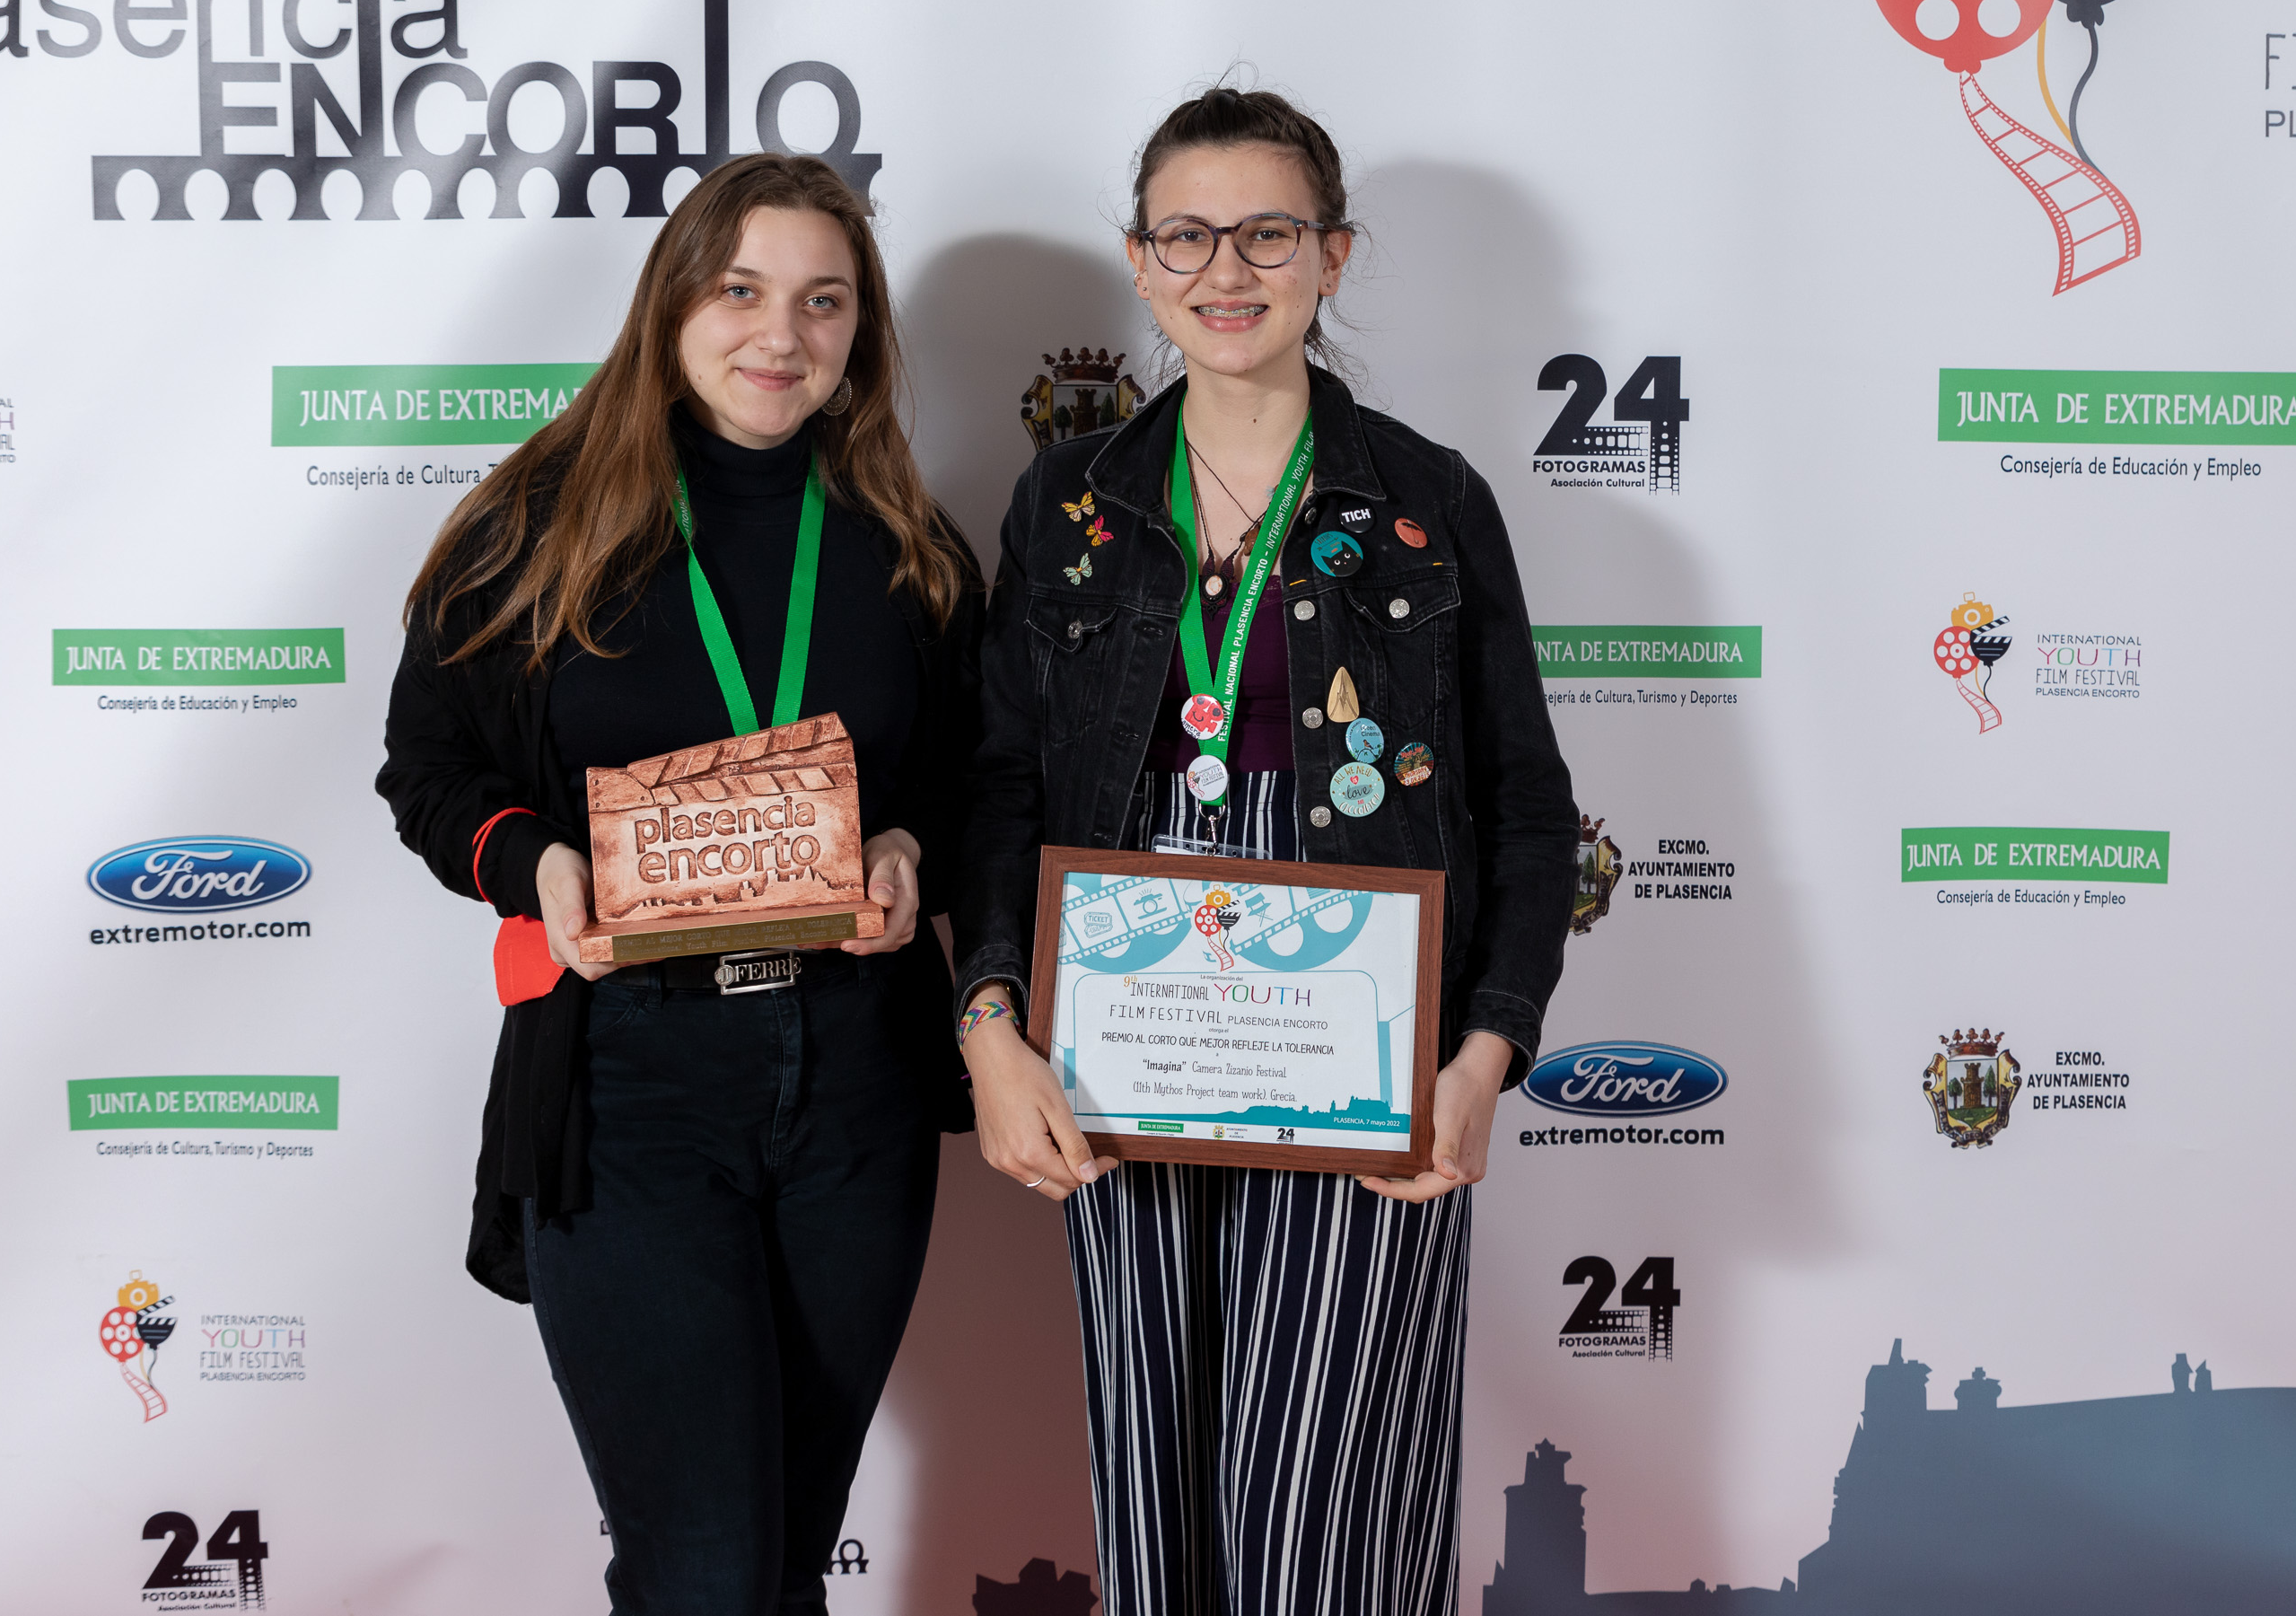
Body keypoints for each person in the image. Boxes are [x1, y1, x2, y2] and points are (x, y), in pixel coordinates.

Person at [952, 87, 1576, 1613]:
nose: (1224, 269)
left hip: (1364, 1038)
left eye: (1268, 233)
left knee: (1321, 1520)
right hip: (1121, 1024)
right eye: (1186, 234)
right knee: (1156, 1501)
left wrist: (1480, 1056)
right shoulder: (1067, 501)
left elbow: (1524, 800)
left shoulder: (1429, 499)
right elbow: (1002, 782)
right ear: (1139, 260)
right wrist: (988, 1023)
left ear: (1332, 255)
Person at [375, 152, 979, 1616]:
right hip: (631, 1078)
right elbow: (428, 769)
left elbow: (977, 780)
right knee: (702, 1574)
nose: (782, 333)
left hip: (854, 1082)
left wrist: (912, 850)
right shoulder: (537, 526)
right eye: (741, 290)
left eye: (823, 301)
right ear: (671, 304)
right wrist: (536, 862)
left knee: (782, 1562)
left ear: (860, 330)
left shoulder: (906, 545)